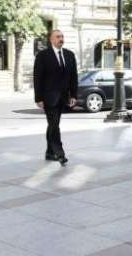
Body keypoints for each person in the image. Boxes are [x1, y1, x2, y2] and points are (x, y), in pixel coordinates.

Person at [33, 29, 78, 166]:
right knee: (54, 124)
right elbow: (37, 78)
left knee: (53, 125)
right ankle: (60, 153)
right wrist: (38, 98)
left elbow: (73, 77)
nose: (61, 39)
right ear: (51, 39)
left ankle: (49, 152)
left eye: (62, 36)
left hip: (63, 98)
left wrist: (74, 95)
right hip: (48, 98)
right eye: (58, 37)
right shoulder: (43, 55)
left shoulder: (69, 55)